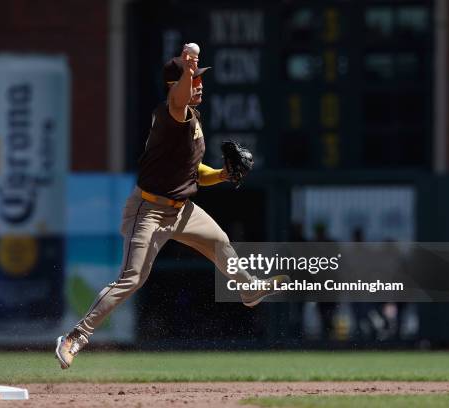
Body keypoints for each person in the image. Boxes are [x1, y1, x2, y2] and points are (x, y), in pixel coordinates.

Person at [55, 45, 289, 369]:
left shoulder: (191, 117)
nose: (200, 84)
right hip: (148, 210)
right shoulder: (171, 113)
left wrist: (221, 174)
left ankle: (248, 290)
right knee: (132, 278)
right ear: (175, 86)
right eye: (194, 80)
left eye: (200, 78)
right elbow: (178, 96)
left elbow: (194, 173)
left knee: (219, 240)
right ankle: (74, 338)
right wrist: (187, 66)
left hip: (181, 210)